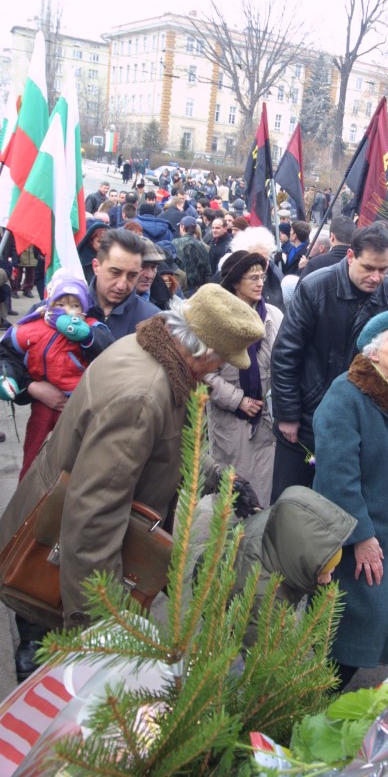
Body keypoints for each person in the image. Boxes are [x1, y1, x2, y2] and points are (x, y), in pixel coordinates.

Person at [0, 283, 265, 680]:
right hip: (59, 565)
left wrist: (215, 474)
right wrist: (101, 625)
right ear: (203, 351)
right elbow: (94, 513)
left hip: (59, 544)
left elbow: (161, 446)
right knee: (59, 694)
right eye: (222, 361)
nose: (219, 370)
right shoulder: (145, 394)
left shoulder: (150, 349)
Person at [312, 309, 388, 688]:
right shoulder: (347, 395)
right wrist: (360, 536)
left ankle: (328, 689)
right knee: (349, 620)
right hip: (355, 532)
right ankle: (314, 696)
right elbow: (337, 474)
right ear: (373, 353)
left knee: (373, 613)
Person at [270, 223, 388, 500]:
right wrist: (287, 414)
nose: (376, 277)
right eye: (368, 268)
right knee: (289, 503)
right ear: (350, 256)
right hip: (305, 420)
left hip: (360, 422)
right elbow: (286, 354)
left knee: (339, 507)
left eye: (383, 269)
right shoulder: (315, 287)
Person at [0, 271, 113, 480]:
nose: (67, 311)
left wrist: (88, 337)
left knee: (71, 458)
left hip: (77, 406)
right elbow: (8, 353)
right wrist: (9, 377)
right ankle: (26, 493)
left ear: (84, 309)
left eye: (75, 305)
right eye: (60, 305)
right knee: (34, 451)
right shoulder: (33, 327)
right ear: (49, 303)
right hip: (42, 406)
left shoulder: (90, 327)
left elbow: (107, 349)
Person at [232, 486, 356, 654]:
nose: (328, 580)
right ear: (303, 560)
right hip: (219, 590)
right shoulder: (267, 597)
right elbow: (261, 663)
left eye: (331, 571)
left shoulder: (286, 533)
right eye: (323, 572)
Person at [205, 252, 283, 507]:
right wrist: (238, 400)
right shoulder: (217, 319)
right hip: (230, 422)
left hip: (265, 421)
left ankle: (256, 542)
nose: (260, 283)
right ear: (235, 283)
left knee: (263, 492)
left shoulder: (273, 316)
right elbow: (203, 373)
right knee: (232, 496)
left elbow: (284, 361)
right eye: (252, 278)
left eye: (262, 276)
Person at [298, 216, 356, 281]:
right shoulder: (359, 264)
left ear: (332, 237)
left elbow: (301, 289)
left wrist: (302, 270)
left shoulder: (315, 263)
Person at [174, 216, 211, 296]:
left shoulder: (174, 243)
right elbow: (207, 270)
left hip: (179, 287)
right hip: (196, 289)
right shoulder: (202, 246)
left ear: (182, 227)